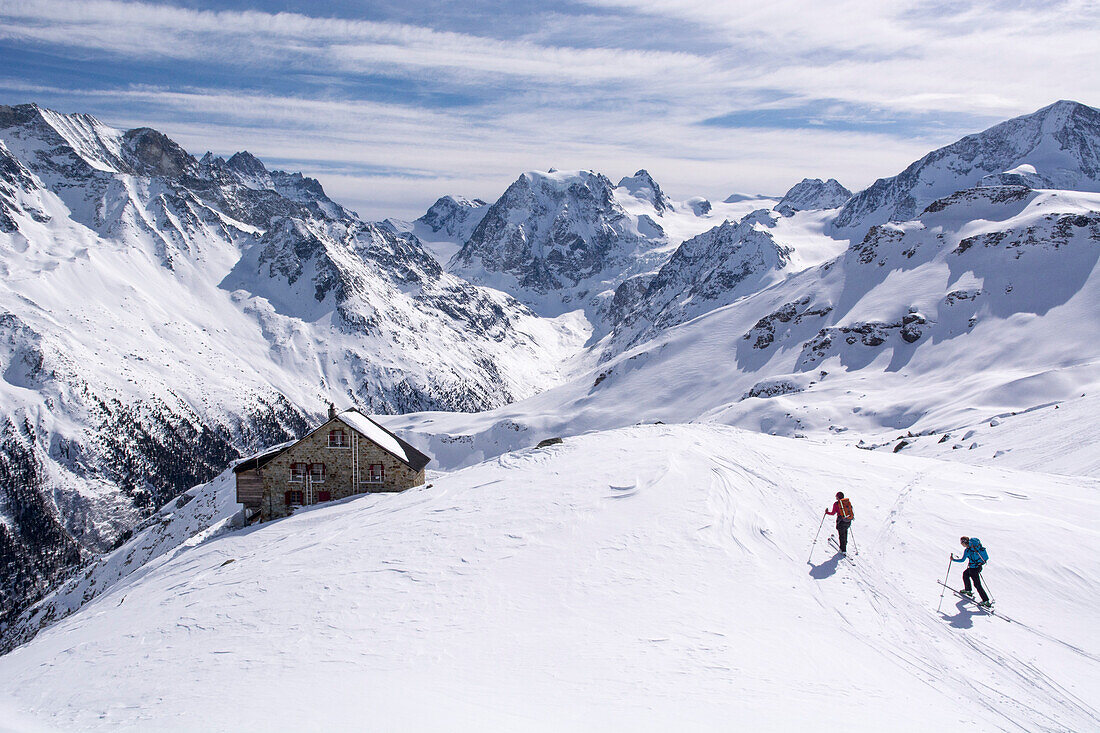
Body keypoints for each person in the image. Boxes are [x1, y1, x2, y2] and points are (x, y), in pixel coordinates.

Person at [952, 536, 991, 607]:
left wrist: (953, 559)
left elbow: (962, 560)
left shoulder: (968, 550)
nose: (961, 544)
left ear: (964, 542)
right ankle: (968, 590)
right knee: (965, 574)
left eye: (961, 543)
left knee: (977, 584)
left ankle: (986, 601)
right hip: (978, 567)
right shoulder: (976, 548)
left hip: (973, 568)